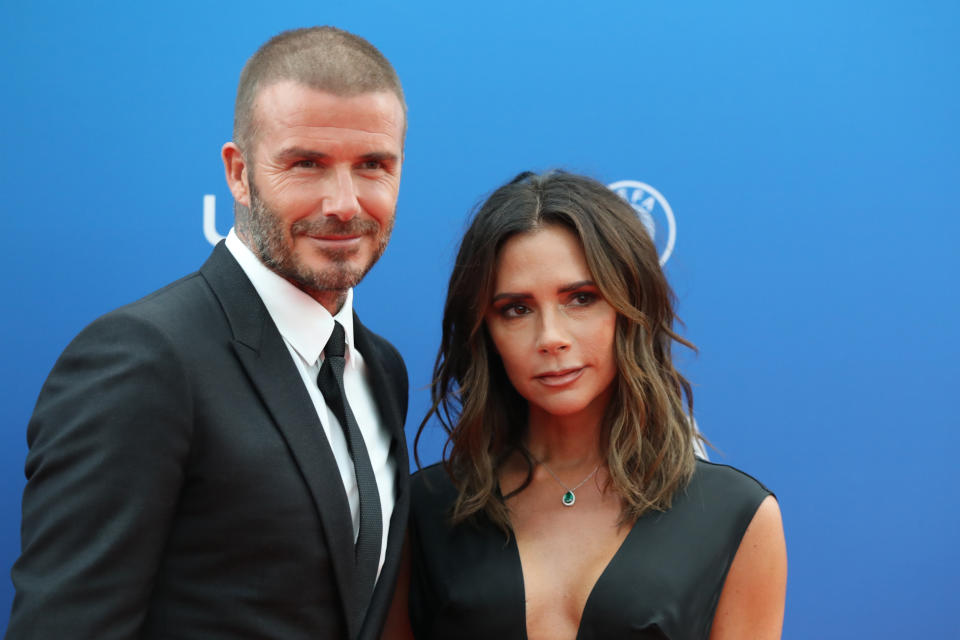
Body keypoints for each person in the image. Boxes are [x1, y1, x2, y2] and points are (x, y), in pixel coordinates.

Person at [7, 27, 409, 640]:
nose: (344, 202)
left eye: (373, 166)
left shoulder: (379, 368)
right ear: (239, 173)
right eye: (306, 163)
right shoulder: (143, 359)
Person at [393, 171, 787, 639]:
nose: (551, 338)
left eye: (581, 299)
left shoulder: (735, 516)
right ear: (486, 333)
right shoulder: (424, 511)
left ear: (630, 308)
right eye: (516, 309)